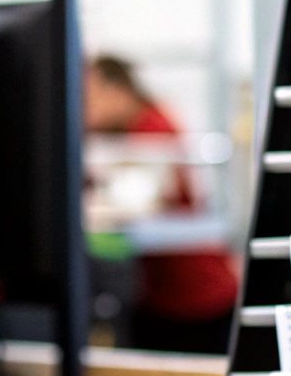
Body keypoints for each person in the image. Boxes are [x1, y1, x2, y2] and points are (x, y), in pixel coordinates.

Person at [85, 54, 240, 353]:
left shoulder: (152, 126)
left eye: (90, 98)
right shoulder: (126, 131)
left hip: (196, 296)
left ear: (118, 91)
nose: (85, 109)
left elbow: (137, 202)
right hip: (160, 294)